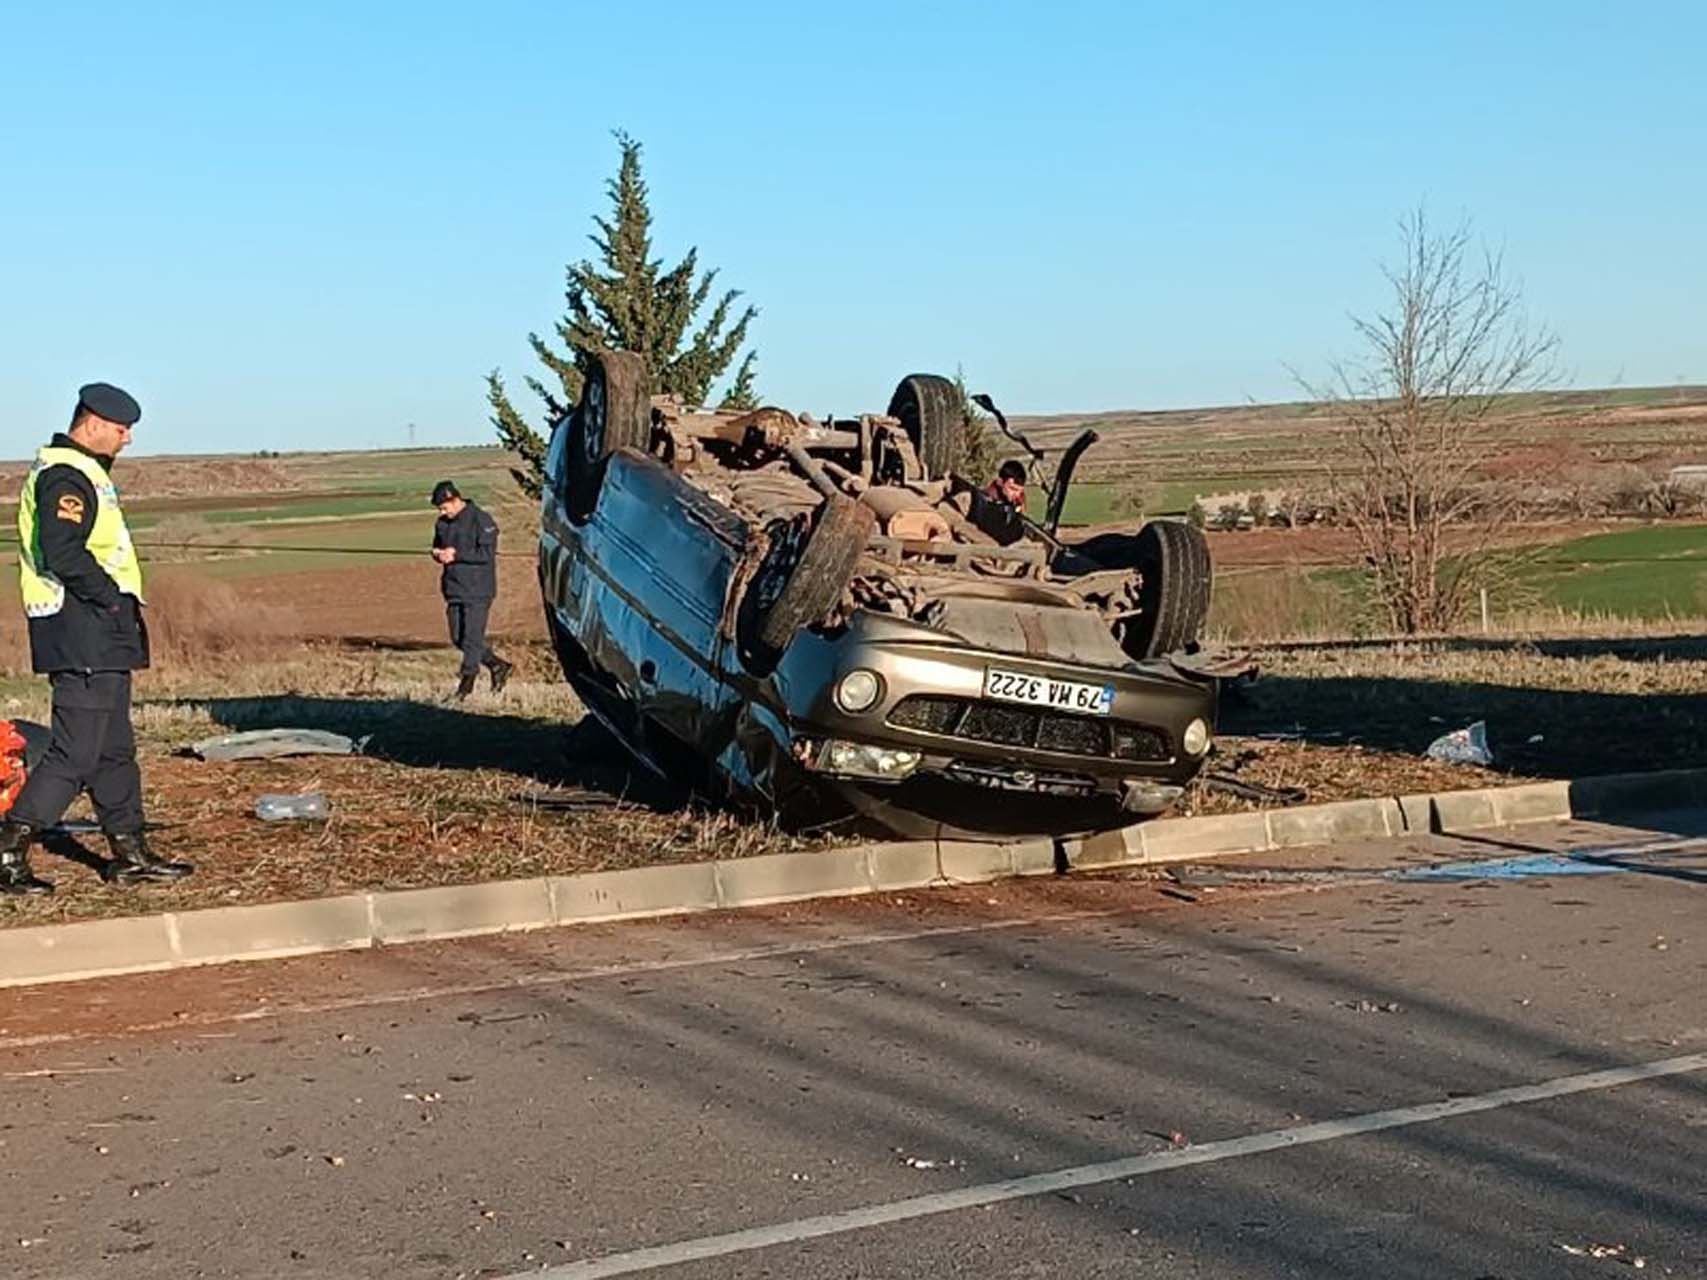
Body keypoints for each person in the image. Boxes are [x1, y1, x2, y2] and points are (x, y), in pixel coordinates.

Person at [0, 383, 191, 895]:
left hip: (101, 630)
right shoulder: (65, 474)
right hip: (81, 625)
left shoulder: (86, 473)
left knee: (113, 749)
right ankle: (9, 847)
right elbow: (64, 552)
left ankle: (129, 852)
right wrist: (109, 599)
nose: (127, 439)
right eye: (121, 429)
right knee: (75, 752)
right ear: (92, 423)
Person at [430, 480, 512, 699]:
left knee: (473, 638)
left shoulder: (481, 520)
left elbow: (486, 555)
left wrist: (456, 555)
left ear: (455, 500)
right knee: (459, 638)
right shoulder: (442, 524)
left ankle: (465, 687)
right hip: (453, 588)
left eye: (444, 507)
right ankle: (497, 665)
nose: (442, 511)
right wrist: (438, 554)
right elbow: (437, 546)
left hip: (478, 589)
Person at [964, 459, 1029, 546]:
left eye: (1019, 491)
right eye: (1012, 488)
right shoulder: (982, 502)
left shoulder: (1014, 504)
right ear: (1000, 482)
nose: (1017, 494)